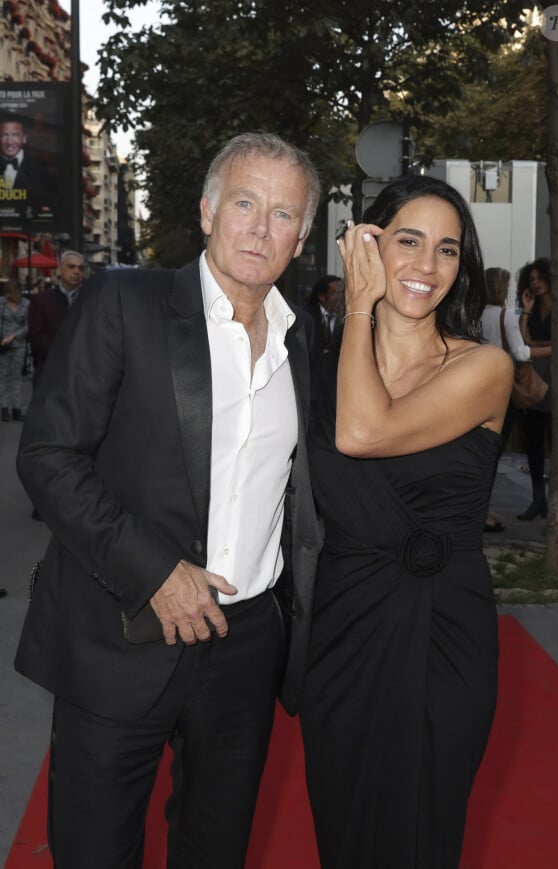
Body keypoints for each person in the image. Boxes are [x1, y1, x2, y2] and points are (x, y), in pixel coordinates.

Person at [14, 132, 321, 869]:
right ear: (208, 209)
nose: (259, 226)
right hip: (120, 629)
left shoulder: (301, 340)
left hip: (246, 644)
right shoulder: (127, 302)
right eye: (245, 202)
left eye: (282, 214)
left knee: (216, 851)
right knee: (95, 850)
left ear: (303, 237)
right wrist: (156, 569)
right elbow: (48, 455)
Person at [300, 175, 512, 869]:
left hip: (443, 632)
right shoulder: (311, 369)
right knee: (344, 829)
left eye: (447, 250)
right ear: (367, 244)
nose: (427, 266)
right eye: (408, 241)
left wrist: (358, 304)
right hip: (343, 629)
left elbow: (364, 431)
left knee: (421, 833)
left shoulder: (486, 367)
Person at [481, 266, 552, 530]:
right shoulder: (504, 315)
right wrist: (554, 348)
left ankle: (476, 510)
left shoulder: (477, 314)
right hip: (502, 391)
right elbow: (521, 352)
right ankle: (483, 514)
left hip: (478, 390)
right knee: (493, 453)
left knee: (482, 452)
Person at [516, 257, 552, 520]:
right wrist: (527, 309)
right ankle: (538, 499)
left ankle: (553, 501)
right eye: (532, 280)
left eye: (540, 278)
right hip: (534, 380)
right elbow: (523, 340)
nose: (536, 283)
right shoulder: (534, 307)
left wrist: (535, 347)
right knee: (534, 445)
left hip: (557, 381)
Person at [27, 249, 85, 386]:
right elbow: (35, 337)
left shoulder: (91, 300)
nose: (77, 271)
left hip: (82, 379)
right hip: (49, 377)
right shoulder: (42, 300)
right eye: (71, 267)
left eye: (80, 268)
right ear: (59, 269)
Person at [0, 117, 55, 221]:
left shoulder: (41, 167)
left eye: (15, 135)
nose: (9, 142)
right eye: (4, 135)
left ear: (24, 138)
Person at [0, 278, 29, 421]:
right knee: (3, 377)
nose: (7, 295)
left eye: (10, 292)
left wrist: (15, 335)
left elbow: (28, 325)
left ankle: (17, 409)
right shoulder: (1, 303)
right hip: (3, 346)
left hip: (18, 345)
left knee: (16, 377)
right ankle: (4, 408)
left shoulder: (26, 304)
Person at [303, 273, 342, 355]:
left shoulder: (345, 316)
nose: (340, 297)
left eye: (341, 293)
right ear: (321, 296)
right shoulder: (306, 317)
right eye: (335, 293)